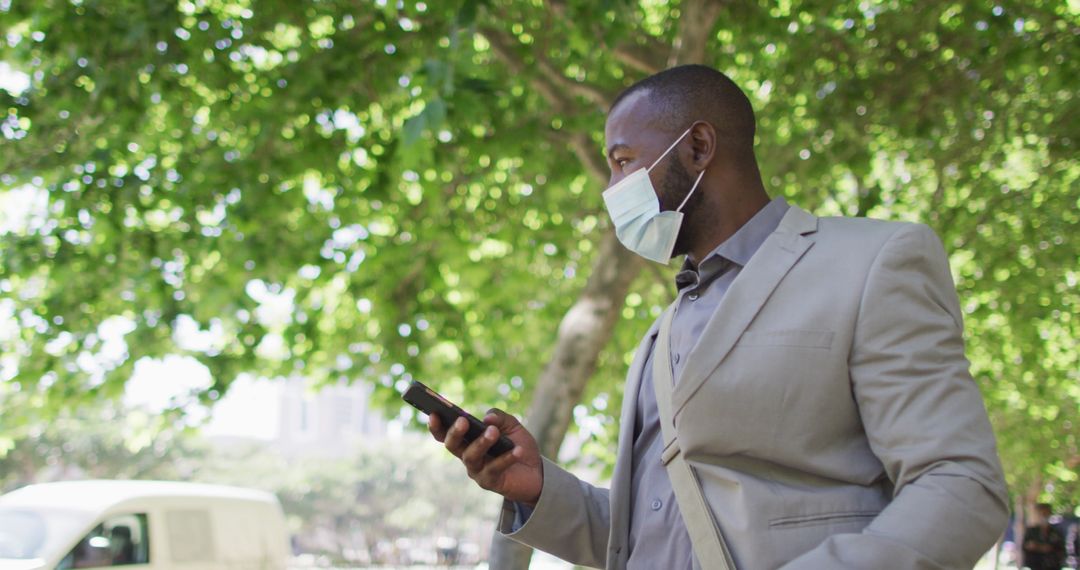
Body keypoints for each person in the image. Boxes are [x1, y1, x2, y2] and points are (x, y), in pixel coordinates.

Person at [429, 64, 1009, 569]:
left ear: (698, 147)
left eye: (623, 161)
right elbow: (662, 535)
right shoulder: (662, 332)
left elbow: (960, 485)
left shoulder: (873, 261)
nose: (611, 188)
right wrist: (536, 489)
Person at [1023, 503, 1066, 570]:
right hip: (1036, 565)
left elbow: (1060, 549)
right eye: (1041, 514)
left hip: (1053, 566)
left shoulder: (1056, 532)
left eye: (1046, 514)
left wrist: (1039, 547)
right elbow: (1026, 546)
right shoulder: (1031, 531)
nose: (1044, 516)